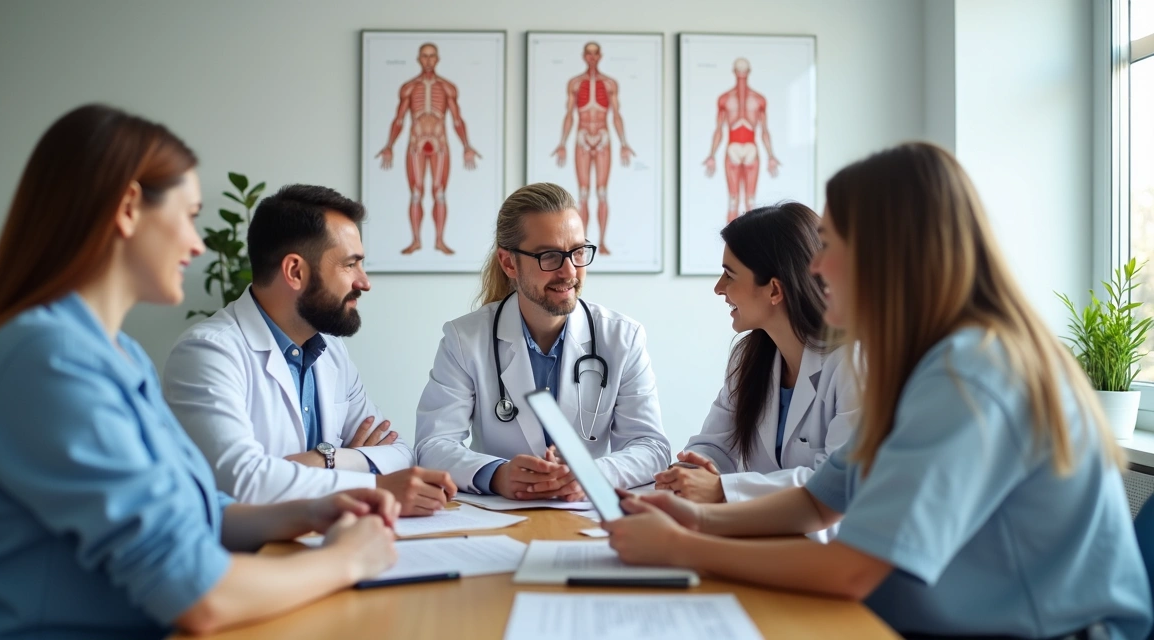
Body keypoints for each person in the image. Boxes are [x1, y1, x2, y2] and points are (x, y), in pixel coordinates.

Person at [604, 142, 1153, 639]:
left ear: (890, 253)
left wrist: (682, 548)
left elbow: (853, 568)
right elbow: (818, 501)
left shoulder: (973, 370)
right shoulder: (921, 363)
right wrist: (696, 519)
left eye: (829, 244)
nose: (815, 267)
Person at [0, 105, 398, 639]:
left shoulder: (120, 354)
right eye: (189, 215)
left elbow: (195, 508)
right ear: (130, 208)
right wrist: (347, 560)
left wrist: (314, 510)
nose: (197, 244)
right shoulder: (47, 360)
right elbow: (195, 592)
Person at [164, 184, 456, 515]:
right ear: (295, 272)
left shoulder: (330, 350)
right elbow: (244, 482)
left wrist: (325, 458)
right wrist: (374, 486)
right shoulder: (207, 353)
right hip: (252, 557)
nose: (364, 282)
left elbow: (400, 452)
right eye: (350, 265)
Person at [415, 182, 670, 499]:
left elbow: (651, 446)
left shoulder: (623, 338)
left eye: (577, 252)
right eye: (550, 256)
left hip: (587, 513)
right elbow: (433, 445)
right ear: (509, 263)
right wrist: (497, 475)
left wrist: (590, 475)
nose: (569, 271)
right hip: (501, 514)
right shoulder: (465, 339)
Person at [654, 203, 857, 521]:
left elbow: (837, 487)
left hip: (831, 549)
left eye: (729, 275)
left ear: (774, 289)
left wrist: (723, 489)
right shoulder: (750, 358)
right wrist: (686, 474)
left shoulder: (853, 364)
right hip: (762, 536)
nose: (719, 288)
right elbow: (715, 445)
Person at [377, 42, 481, 256]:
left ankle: (439, 241)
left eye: (432, 56)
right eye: (424, 56)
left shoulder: (447, 87)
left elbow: (457, 119)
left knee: (439, 192)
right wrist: (389, 146)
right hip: (416, 142)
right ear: (418, 59)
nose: (428, 60)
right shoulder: (408, 87)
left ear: (437, 59)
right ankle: (416, 240)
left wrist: (466, 146)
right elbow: (398, 119)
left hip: (439, 143)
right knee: (416, 193)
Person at [551, 42, 633, 256]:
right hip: (582, 136)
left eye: (596, 54)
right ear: (584, 56)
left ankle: (603, 241)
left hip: (604, 136)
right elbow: (569, 115)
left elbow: (616, 115)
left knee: (602, 192)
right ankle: (582, 243)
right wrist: (562, 143)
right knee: (584, 193)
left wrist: (624, 143)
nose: (592, 57)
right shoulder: (575, 84)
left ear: (600, 56)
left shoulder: (610, 84)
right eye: (589, 53)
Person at [703, 57, 781, 223]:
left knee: (741, 202)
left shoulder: (729, 99)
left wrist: (771, 156)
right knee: (742, 202)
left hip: (736, 148)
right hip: (746, 148)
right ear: (749, 72)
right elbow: (720, 130)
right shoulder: (753, 99)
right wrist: (711, 155)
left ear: (734, 72)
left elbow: (764, 131)